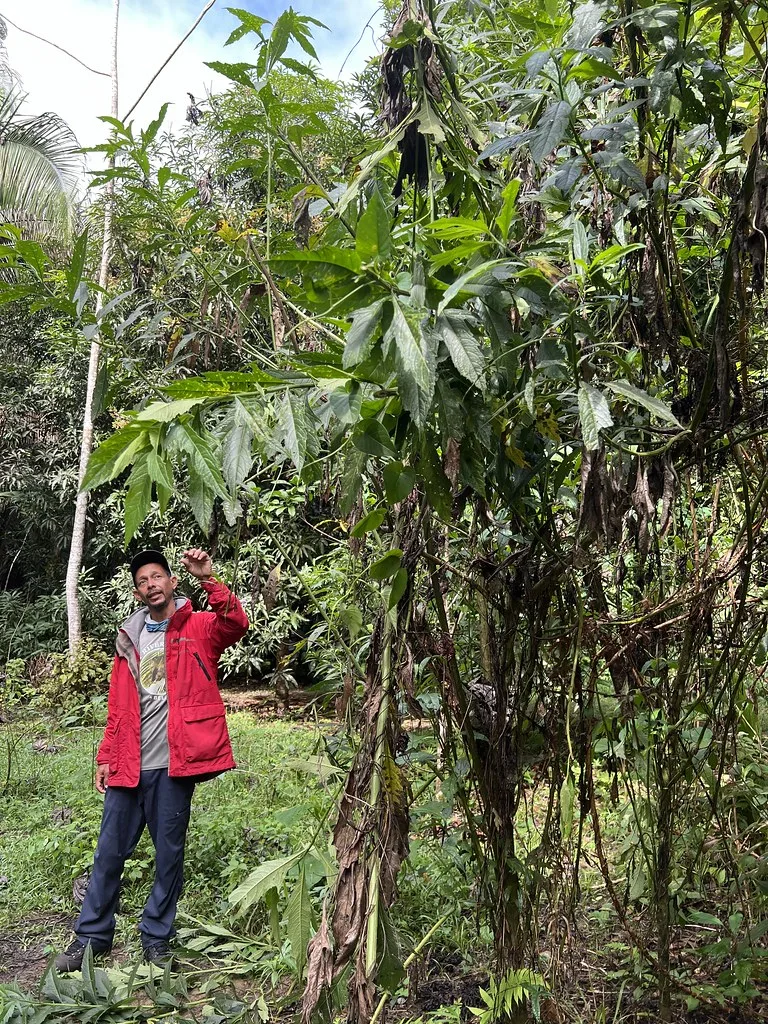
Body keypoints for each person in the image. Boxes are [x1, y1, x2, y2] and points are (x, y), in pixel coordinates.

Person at [54, 547, 248, 971]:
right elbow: (118, 708)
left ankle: (157, 938)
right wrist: (106, 756)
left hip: (173, 766)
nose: (151, 584)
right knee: (108, 853)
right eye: (143, 581)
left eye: (157, 576)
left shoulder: (198, 627)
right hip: (128, 763)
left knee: (168, 857)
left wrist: (209, 578)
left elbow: (236, 622)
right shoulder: (130, 635)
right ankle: (91, 937)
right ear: (138, 591)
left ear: (172, 582)